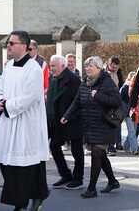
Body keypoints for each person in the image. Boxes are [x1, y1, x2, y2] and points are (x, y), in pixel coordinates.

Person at [0, 30, 49, 211]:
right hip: (8, 122)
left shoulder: (34, 69)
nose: (8, 46)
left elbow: (30, 97)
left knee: (23, 166)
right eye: (8, 43)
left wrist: (8, 105)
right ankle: (37, 194)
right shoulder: (8, 67)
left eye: (11, 43)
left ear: (24, 46)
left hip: (26, 123)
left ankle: (21, 204)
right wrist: (0, 102)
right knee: (5, 161)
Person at [61, 56, 121, 198]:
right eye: (86, 66)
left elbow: (116, 101)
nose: (87, 69)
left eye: (91, 66)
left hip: (104, 124)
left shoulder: (107, 82)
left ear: (99, 69)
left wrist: (98, 96)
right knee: (101, 154)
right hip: (89, 124)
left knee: (96, 153)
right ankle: (112, 181)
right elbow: (77, 101)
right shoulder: (85, 83)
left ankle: (91, 188)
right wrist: (67, 115)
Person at [47, 55, 84, 190]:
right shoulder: (54, 79)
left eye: (53, 66)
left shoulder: (73, 80)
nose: (51, 69)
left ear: (62, 66)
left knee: (76, 151)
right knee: (54, 147)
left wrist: (70, 116)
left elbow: (80, 102)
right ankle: (66, 175)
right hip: (58, 121)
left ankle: (78, 179)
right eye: (50, 66)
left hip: (73, 121)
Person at [105, 56, 124, 155]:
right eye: (112, 67)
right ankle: (109, 146)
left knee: (115, 123)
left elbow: (121, 85)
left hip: (116, 101)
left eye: (116, 67)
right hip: (106, 101)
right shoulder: (103, 74)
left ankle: (115, 143)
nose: (114, 69)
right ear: (108, 65)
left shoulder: (118, 73)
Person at [120, 71, 139, 155]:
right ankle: (135, 149)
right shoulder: (124, 88)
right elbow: (119, 100)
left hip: (134, 112)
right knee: (132, 131)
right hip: (128, 113)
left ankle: (126, 146)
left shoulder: (136, 88)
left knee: (134, 131)